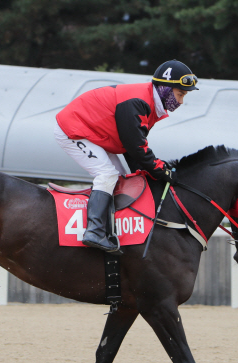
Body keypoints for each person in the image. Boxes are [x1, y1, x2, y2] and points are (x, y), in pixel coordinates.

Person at [55, 59, 199, 253]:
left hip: (95, 133)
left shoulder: (150, 103)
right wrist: (161, 171)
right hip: (73, 129)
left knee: (122, 180)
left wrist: (148, 172)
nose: (181, 101)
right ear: (165, 88)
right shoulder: (138, 102)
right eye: (180, 94)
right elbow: (136, 147)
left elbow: (133, 148)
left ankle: (111, 230)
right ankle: (94, 232)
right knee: (107, 175)